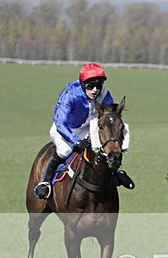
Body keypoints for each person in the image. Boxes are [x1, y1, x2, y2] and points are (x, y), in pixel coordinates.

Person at [35, 63, 133, 199]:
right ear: (83, 84)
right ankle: (45, 181)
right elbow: (60, 122)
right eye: (90, 86)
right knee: (65, 150)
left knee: (103, 149)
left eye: (98, 86)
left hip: (89, 128)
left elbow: (110, 117)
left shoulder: (104, 93)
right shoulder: (71, 94)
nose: (95, 90)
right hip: (66, 129)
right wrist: (76, 141)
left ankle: (115, 174)